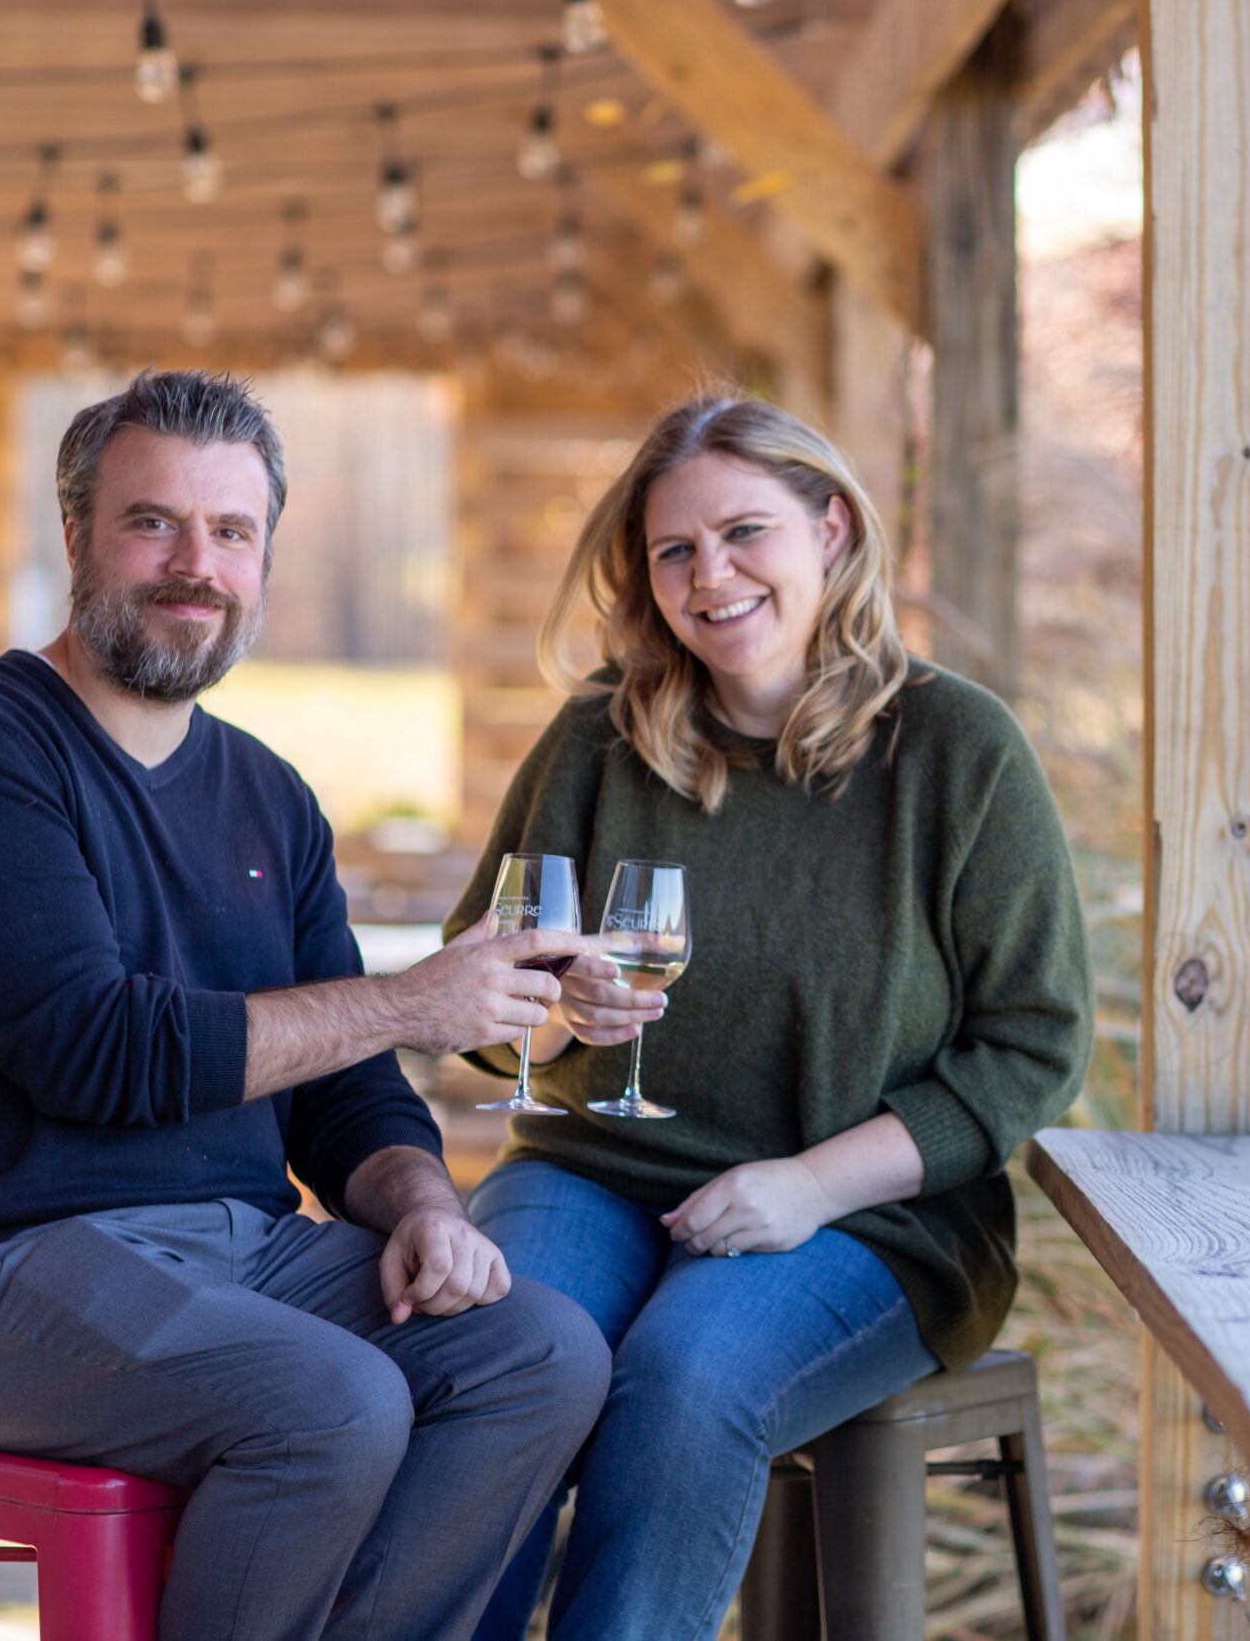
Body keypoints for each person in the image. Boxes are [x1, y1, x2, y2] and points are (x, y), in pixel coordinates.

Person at [0, 369, 611, 1640]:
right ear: (78, 535)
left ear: (265, 558)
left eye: (232, 532)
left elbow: (346, 1090)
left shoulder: (271, 795)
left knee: (538, 1355)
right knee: (331, 1402)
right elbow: (91, 1051)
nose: (193, 565)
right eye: (154, 523)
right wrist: (404, 1001)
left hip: (240, 1254)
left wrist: (425, 1209)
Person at [449, 396, 1094, 1640]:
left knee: (687, 1375)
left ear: (831, 531)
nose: (712, 576)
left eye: (746, 532)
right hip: (592, 1174)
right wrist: (559, 1015)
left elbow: (1032, 1046)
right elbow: (482, 999)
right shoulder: (598, 738)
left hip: (869, 1217)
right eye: (674, 551)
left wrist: (806, 1185)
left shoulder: (955, 750)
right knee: (502, 1351)